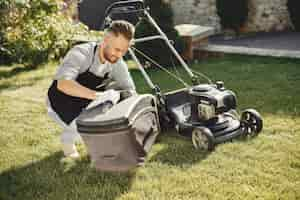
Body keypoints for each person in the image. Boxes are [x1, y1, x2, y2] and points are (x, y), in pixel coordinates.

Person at [46, 20, 136, 158]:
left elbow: (130, 90)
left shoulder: (117, 62)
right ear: (105, 40)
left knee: (120, 94)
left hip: (84, 100)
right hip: (59, 101)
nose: (119, 55)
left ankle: (82, 132)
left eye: (123, 51)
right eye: (117, 49)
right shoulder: (81, 52)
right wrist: (98, 96)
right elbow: (63, 84)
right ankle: (69, 138)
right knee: (86, 128)